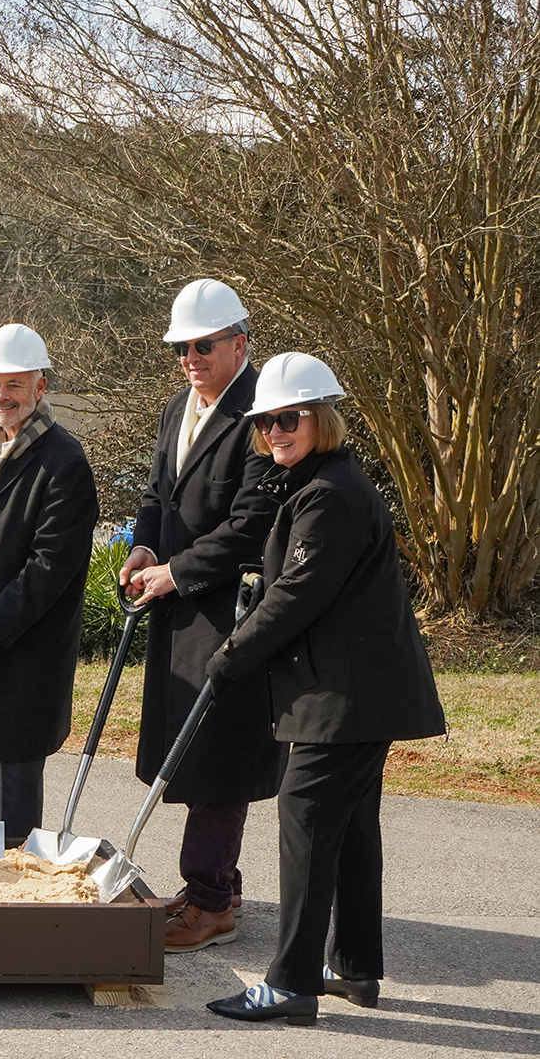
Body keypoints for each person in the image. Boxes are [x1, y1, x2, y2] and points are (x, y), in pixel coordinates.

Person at [202, 353, 446, 1024]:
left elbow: (297, 594)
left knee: (306, 818)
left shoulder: (330, 493)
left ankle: (290, 983)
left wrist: (231, 656)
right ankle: (356, 967)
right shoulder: (315, 485)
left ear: (322, 420)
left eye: (290, 418)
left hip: (345, 695)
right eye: (266, 422)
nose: (275, 431)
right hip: (351, 688)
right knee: (351, 826)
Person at [118, 279, 284, 953]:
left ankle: (210, 901)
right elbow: (156, 495)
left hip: (231, 608)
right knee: (188, 747)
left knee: (218, 754)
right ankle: (222, 882)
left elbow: (252, 524)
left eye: (203, 346)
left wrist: (176, 571)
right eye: (181, 348)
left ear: (240, 344)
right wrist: (143, 547)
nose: (190, 357)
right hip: (178, 608)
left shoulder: (263, 414)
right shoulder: (175, 409)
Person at [0, 325, 98, 837]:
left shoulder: (64, 460)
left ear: (40, 386)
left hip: (28, 641)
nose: (0, 396)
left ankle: (20, 865)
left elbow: (53, 564)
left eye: (13, 385)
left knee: (18, 769)